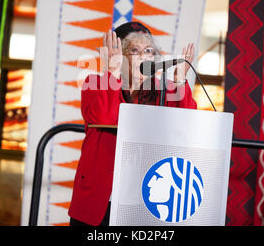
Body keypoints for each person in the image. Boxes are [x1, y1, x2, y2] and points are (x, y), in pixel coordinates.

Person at [68, 21, 198, 226]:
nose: (143, 56)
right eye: (134, 50)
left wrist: (180, 79)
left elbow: (186, 124)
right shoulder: (95, 83)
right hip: (99, 198)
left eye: (148, 51)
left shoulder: (162, 89)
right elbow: (103, 116)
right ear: (120, 57)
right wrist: (112, 71)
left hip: (143, 198)